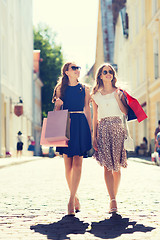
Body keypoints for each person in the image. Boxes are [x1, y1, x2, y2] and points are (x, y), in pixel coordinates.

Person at [52, 62, 92, 215]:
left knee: (78, 163)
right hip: (65, 125)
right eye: (74, 68)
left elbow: (87, 110)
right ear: (67, 72)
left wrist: (89, 131)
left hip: (80, 125)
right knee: (67, 165)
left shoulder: (85, 89)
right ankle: (75, 196)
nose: (77, 70)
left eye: (78, 68)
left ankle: (70, 200)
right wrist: (57, 105)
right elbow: (56, 111)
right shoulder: (59, 89)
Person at [91, 63, 128, 214]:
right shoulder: (95, 95)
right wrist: (94, 136)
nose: (108, 74)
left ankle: (114, 197)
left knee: (117, 166)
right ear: (100, 75)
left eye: (110, 72)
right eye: (105, 72)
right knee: (107, 166)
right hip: (104, 129)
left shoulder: (119, 92)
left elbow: (125, 112)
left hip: (118, 128)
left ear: (113, 75)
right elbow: (94, 118)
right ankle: (112, 200)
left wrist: (117, 98)